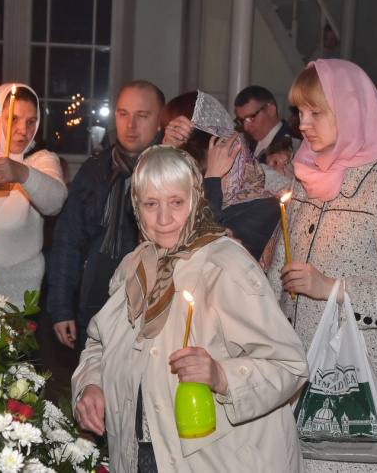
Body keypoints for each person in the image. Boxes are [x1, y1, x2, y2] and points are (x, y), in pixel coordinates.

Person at [72, 145, 309, 473]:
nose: (163, 219)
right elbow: (99, 343)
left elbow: (289, 365)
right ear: (136, 207)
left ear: (196, 200)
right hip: (141, 455)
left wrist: (221, 375)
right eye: (151, 204)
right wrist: (91, 384)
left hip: (219, 461)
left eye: (176, 202)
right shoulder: (133, 267)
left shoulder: (225, 266)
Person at [267, 59, 377, 473]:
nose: (303, 124)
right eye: (299, 112)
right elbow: (277, 275)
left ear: (350, 110)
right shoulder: (304, 178)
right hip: (294, 381)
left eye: (316, 112)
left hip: (354, 388)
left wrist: (334, 288)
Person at [47, 80, 164, 350]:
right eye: (123, 114)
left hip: (148, 310)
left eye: (142, 115)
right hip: (94, 303)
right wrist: (61, 308)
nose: (130, 125)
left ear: (160, 122)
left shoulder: (170, 170)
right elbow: (67, 241)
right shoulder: (95, 169)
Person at [0, 83, 68, 307]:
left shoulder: (40, 160)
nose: (23, 129)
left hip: (18, 289)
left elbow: (55, 202)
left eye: (31, 121)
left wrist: (21, 173)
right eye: (13, 119)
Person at [163, 90, 285, 261]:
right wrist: (166, 153)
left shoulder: (265, 207)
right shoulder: (197, 200)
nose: (199, 187)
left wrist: (212, 180)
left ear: (233, 164)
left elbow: (206, 250)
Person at [233, 85, 300, 162]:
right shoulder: (252, 145)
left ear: (270, 110)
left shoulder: (292, 147)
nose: (245, 127)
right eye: (242, 120)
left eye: (251, 118)